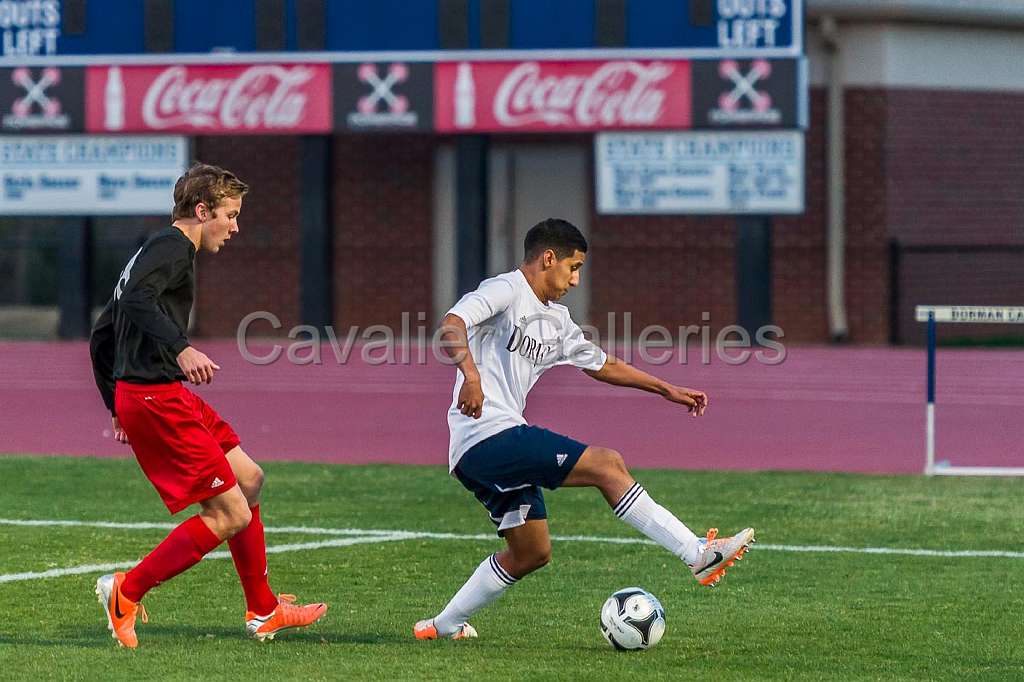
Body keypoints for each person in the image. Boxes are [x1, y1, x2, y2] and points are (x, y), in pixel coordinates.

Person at [414, 218, 755, 641]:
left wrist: (666, 389)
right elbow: (453, 323)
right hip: (485, 437)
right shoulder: (506, 290)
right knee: (607, 464)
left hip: (494, 446)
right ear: (548, 258)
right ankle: (697, 554)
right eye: (573, 267)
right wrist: (471, 375)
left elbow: (604, 365)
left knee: (532, 552)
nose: (575, 280)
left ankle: (442, 625)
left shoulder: (557, 320)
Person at [88, 162, 327, 648]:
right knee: (229, 515)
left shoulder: (152, 253)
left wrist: (114, 400)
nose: (236, 227)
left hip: (160, 393)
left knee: (250, 478)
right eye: (230, 214)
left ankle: (263, 611)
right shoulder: (172, 247)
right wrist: (180, 347)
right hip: (156, 397)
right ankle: (125, 592)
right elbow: (134, 301)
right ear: (202, 211)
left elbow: (102, 331)